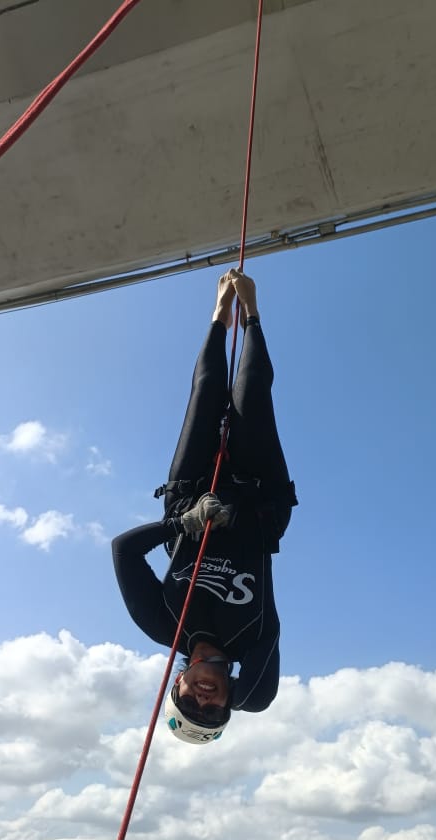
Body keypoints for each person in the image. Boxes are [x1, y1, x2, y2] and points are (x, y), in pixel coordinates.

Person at [112, 269, 296, 744]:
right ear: (228, 700)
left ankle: (218, 316)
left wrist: (183, 522)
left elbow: (124, 551)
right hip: (259, 497)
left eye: (187, 701)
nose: (202, 698)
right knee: (251, 391)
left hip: (194, 494)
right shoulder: (252, 646)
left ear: (175, 684)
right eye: (211, 710)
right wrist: (236, 692)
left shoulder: (162, 625)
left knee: (208, 389)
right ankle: (252, 313)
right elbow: (259, 697)